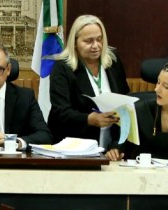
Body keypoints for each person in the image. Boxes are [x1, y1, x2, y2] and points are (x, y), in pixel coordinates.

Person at [47, 14, 130, 147]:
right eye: (88, 41)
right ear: (75, 43)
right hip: (75, 143)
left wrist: (117, 146)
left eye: (99, 39)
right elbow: (61, 112)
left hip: (111, 143)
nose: (95, 45)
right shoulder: (62, 68)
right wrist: (89, 119)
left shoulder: (112, 60)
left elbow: (125, 100)